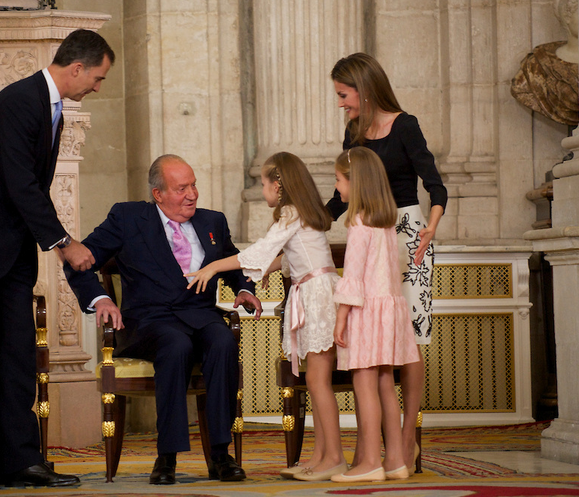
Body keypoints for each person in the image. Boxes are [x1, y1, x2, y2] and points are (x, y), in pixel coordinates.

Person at [0, 29, 114, 493]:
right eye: (97, 77)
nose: (98, 86)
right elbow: (20, 183)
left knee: (16, 358)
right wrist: (64, 242)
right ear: (77, 68)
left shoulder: (49, 107)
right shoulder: (19, 101)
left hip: (10, 251)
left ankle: (21, 462)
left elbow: (29, 187)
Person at [63, 155, 263, 485]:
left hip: (200, 316)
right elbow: (79, 260)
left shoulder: (213, 221)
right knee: (175, 343)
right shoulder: (127, 218)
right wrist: (101, 299)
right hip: (149, 321)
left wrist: (243, 289)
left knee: (223, 340)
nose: (192, 194)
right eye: (182, 188)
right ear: (158, 194)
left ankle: (220, 455)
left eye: (194, 185)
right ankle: (166, 456)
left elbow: (234, 264)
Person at [186, 152, 347, 481]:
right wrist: (270, 270)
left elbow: (258, 251)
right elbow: (293, 254)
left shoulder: (290, 213)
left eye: (262, 183)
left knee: (318, 381)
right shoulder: (303, 212)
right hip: (315, 292)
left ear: (278, 185)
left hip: (316, 297)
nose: (262, 190)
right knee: (314, 382)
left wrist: (214, 266)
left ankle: (334, 458)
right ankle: (320, 457)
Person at [328, 52, 447, 472]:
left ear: (364, 89)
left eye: (344, 95)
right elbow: (342, 193)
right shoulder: (353, 133)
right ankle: (377, 448)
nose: (341, 103)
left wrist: (430, 229)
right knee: (371, 342)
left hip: (409, 235)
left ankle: (407, 438)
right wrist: (309, 221)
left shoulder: (406, 125)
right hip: (369, 228)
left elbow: (435, 186)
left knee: (408, 340)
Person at [331, 147, 420, 483]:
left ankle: (370, 461)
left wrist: (341, 317)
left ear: (355, 182)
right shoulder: (384, 221)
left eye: (339, 180)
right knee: (385, 383)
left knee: (364, 383)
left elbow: (353, 276)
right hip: (390, 310)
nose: (337, 187)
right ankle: (395, 460)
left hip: (366, 310)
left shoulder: (358, 222)